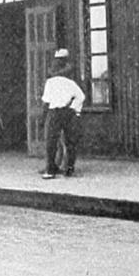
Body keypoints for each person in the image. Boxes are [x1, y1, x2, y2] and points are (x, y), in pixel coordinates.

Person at [41, 48, 85, 179]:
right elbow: (81, 97)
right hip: (67, 112)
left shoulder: (50, 83)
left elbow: (46, 101)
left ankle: (50, 169)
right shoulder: (71, 83)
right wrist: (74, 109)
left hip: (54, 112)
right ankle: (69, 168)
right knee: (69, 141)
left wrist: (44, 117)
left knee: (51, 141)